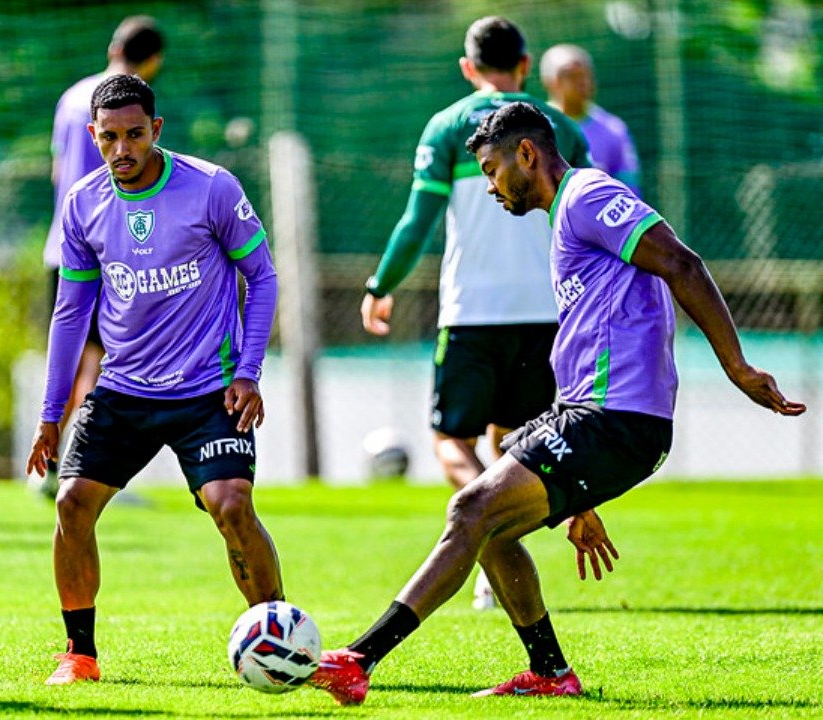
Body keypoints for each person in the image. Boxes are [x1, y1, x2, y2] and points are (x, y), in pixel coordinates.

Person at [307, 100, 806, 706]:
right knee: (492, 531)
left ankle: (358, 659)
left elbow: (681, 261)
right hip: (588, 417)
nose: (490, 187)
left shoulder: (588, 195)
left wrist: (737, 367)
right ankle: (549, 672)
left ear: (526, 154)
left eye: (491, 170)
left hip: (615, 418)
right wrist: (580, 496)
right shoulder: (566, 213)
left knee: (469, 509)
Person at [26, 74, 283, 685]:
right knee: (71, 503)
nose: (123, 149)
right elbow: (70, 313)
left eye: (135, 135)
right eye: (109, 137)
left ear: (156, 129)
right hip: (124, 388)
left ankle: (279, 639)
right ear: (93, 135)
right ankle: (79, 654)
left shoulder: (211, 187)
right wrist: (51, 413)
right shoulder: (82, 203)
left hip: (209, 388)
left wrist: (249, 372)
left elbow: (262, 276)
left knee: (232, 506)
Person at [361, 16, 591, 610]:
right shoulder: (558, 127)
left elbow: (418, 219)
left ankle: (487, 526)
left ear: (468, 68)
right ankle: (497, 537)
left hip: (471, 311)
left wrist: (381, 283)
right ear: (525, 65)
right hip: (548, 312)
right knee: (514, 439)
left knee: (449, 441)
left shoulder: (446, 126)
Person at [38, 16, 165, 496]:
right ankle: (84, 464)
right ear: (153, 61)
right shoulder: (131, 110)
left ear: (114, 47)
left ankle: (58, 462)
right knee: (107, 361)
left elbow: (58, 171)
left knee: (78, 358)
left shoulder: (72, 96)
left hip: (62, 244)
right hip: (108, 253)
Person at [541, 43, 642, 195]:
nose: (582, 82)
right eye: (571, 76)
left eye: (586, 75)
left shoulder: (613, 129)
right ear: (550, 82)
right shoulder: (534, 127)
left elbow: (629, 189)